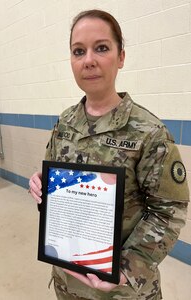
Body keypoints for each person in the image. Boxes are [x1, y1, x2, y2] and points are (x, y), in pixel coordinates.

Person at [29, 9, 190, 300]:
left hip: (121, 290)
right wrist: (42, 184)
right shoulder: (65, 123)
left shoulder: (149, 132)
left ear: (121, 57)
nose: (88, 59)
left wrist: (128, 268)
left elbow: (169, 211)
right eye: (79, 51)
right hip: (69, 281)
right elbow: (58, 186)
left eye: (101, 48)